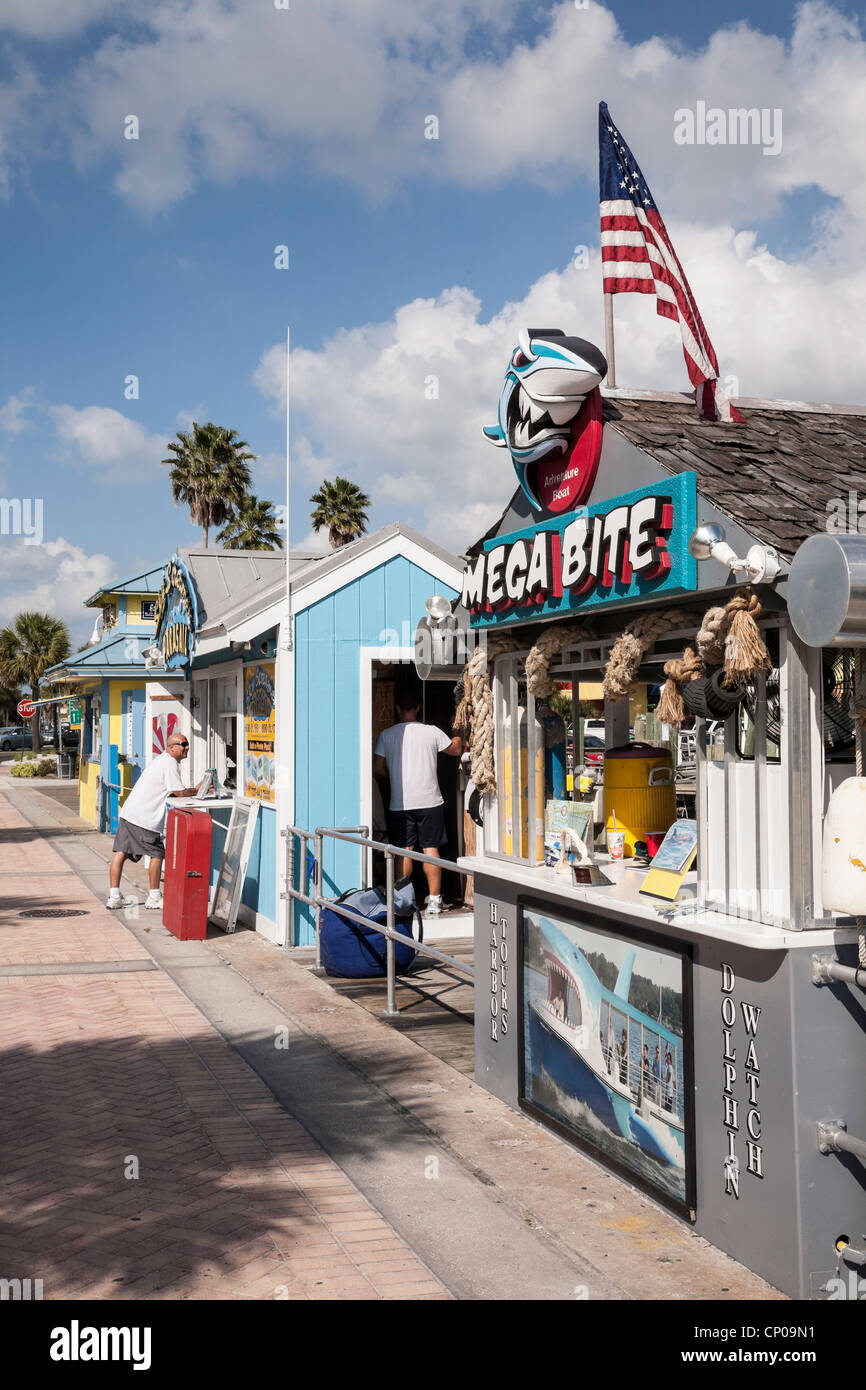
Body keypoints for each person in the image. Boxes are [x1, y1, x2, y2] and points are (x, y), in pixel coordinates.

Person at [373, 686, 462, 915]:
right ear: (418, 708)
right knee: (430, 848)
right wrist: (458, 734)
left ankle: (403, 900)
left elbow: (378, 768)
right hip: (430, 800)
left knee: (405, 850)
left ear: (398, 709)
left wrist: (392, 776)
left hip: (399, 803)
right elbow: (454, 750)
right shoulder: (431, 731)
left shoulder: (387, 735)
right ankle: (434, 900)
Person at [106, 732, 203, 910]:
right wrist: (198, 789)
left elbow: (172, 791)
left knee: (121, 853)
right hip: (145, 817)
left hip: (129, 813)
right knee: (157, 854)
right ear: (171, 747)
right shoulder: (169, 763)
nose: (187, 747)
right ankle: (154, 897)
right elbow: (179, 792)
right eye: (183, 744)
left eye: (187, 744)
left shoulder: (161, 761)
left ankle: (114, 897)